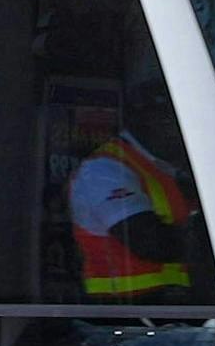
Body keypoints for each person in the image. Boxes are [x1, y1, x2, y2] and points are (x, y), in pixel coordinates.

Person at [56, 81, 197, 300]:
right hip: (124, 311)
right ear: (138, 121)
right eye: (165, 119)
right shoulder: (104, 169)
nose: (175, 129)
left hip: (174, 307)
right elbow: (147, 241)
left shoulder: (167, 167)